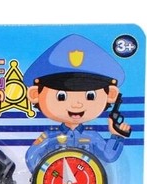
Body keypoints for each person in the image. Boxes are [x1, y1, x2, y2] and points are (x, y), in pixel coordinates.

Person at [24, 34, 131, 173]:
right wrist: (45, 177)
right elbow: (31, 157)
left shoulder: (92, 137)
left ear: (111, 94)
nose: (76, 105)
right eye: (61, 96)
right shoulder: (49, 136)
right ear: (35, 94)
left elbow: (108, 156)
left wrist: (117, 136)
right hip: (54, 183)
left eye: (90, 96)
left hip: (89, 183)